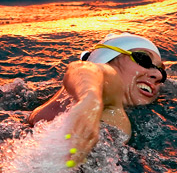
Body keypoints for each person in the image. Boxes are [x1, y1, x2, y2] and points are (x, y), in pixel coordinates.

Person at [26, 32, 166, 166]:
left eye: (162, 71)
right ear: (106, 60)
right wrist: (90, 100)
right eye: (143, 59)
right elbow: (86, 70)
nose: (158, 75)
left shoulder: (55, 104)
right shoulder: (104, 100)